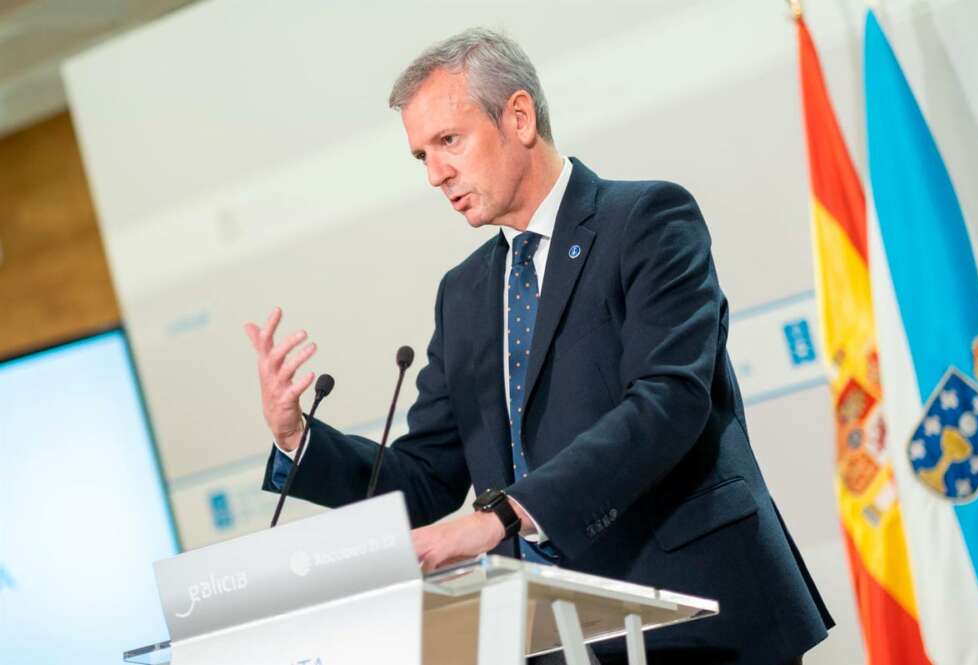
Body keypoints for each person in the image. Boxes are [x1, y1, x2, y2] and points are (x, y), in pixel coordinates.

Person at [246, 28, 832, 665]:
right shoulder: (464, 293)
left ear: (518, 117)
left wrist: (504, 514)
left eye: (449, 141)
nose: (436, 174)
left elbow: (668, 404)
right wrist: (297, 436)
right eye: (421, 156)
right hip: (554, 639)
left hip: (695, 616)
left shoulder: (647, 220)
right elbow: (425, 479)